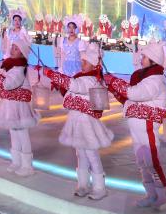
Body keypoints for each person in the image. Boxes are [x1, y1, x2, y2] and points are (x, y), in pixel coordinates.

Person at [104, 41, 166, 210]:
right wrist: (113, 87)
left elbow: (135, 93)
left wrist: (114, 81)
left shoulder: (154, 80)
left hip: (147, 128)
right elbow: (129, 100)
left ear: (153, 60)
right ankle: (151, 194)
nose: (141, 59)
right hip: (137, 130)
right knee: (142, 163)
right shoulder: (143, 78)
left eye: (144, 56)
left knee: (151, 162)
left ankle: (163, 196)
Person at [45, 42, 114, 199]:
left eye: (85, 61)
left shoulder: (91, 80)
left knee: (91, 154)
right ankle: (83, 184)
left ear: (94, 64)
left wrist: (52, 74)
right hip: (77, 121)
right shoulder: (83, 77)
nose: (82, 63)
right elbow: (71, 91)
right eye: (82, 60)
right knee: (81, 154)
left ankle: (99, 187)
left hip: (87, 123)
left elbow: (74, 86)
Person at [0, 36, 40, 175]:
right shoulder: (10, 64)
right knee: (13, 132)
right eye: (12, 47)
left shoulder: (19, 68)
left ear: (22, 52)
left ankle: (27, 165)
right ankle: (16, 161)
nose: (12, 50)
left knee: (22, 134)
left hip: (19, 107)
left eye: (16, 48)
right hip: (10, 105)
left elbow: (7, 84)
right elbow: (4, 79)